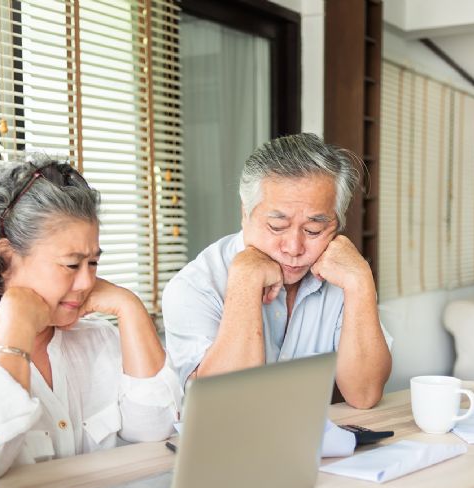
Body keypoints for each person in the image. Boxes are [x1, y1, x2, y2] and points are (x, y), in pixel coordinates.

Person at [0, 157, 181, 485]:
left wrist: (129, 306)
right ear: (6, 257)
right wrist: (16, 330)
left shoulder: (97, 338)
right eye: (72, 265)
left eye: (93, 263)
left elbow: (154, 431)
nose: (88, 282)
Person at [162, 133, 392, 410]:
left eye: (313, 230)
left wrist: (360, 281)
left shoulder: (341, 274)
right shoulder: (194, 285)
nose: (294, 247)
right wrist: (245, 282)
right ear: (245, 213)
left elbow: (364, 394)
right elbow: (223, 408)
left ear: (337, 223)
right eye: (277, 227)